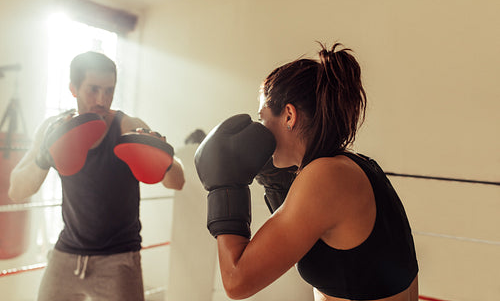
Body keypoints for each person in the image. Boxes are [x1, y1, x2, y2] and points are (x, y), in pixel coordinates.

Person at [194, 43, 418, 301]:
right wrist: (276, 184)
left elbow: (236, 282)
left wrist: (225, 187)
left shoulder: (324, 177)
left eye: (263, 117)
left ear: (289, 115)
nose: (260, 128)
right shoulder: (354, 165)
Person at [8, 51, 185, 301]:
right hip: (66, 255)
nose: (103, 99)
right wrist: (43, 158)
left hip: (119, 259)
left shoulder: (126, 126)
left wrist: (162, 156)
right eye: (93, 89)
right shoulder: (55, 129)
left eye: (109, 90)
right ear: (73, 88)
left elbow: (178, 182)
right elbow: (17, 191)